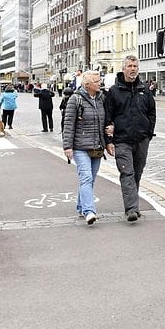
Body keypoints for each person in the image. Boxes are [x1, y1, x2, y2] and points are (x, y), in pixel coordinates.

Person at [104, 55, 157, 222]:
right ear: (123, 68)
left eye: (135, 66)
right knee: (127, 172)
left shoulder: (145, 90)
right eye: (130, 66)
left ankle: (133, 204)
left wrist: (149, 132)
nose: (133, 69)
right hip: (122, 140)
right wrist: (109, 141)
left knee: (137, 174)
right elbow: (108, 117)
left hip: (141, 139)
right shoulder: (114, 91)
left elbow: (152, 113)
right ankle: (132, 209)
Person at [62, 70, 109, 226]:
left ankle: (81, 206)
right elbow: (68, 125)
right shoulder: (75, 100)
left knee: (90, 179)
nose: (99, 84)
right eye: (96, 81)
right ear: (87, 84)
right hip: (80, 147)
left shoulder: (102, 98)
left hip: (97, 146)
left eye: (99, 81)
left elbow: (106, 120)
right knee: (86, 178)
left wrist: (109, 136)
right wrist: (67, 146)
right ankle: (90, 211)